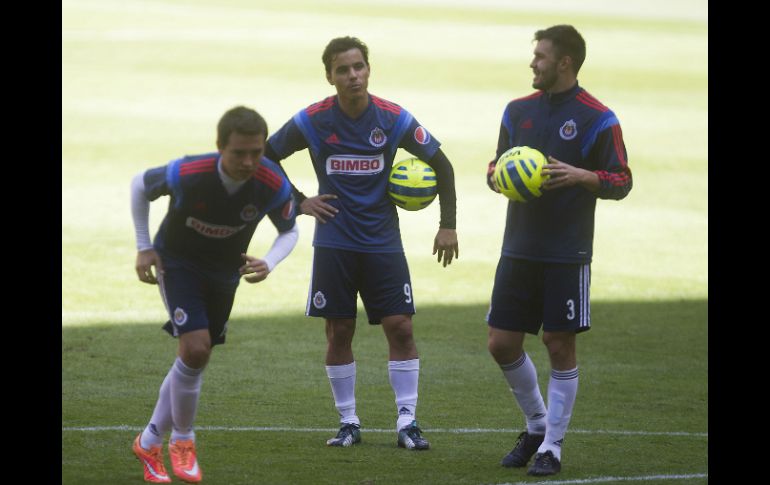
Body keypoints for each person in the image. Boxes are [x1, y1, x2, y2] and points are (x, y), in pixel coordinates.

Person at [264, 36, 459, 451]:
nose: (353, 76)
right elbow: (265, 155)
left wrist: (448, 225)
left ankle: (408, 421)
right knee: (339, 331)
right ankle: (348, 421)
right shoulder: (313, 120)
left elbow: (442, 164)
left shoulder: (393, 118)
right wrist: (299, 201)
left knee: (401, 328)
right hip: (334, 243)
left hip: (383, 243)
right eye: (343, 70)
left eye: (359, 67)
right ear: (330, 76)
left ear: (368, 69)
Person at [485, 25, 632, 476]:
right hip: (519, 247)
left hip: (567, 252)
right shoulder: (516, 111)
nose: (533, 63)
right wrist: (499, 176)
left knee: (558, 342)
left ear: (564, 62)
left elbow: (622, 180)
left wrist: (581, 175)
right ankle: (536, 424)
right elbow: (495, 165)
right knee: (501, 343)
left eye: (541, 57)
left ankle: (552, 446)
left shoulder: (598, 118)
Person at [130, 106, 299, 483]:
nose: (249, 161)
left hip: (225, 274)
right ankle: (183, 442)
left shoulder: (271, 182)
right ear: (220, 147)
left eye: (256, 152)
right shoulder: (190, 173)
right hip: (178, 264)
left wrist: (269, 262)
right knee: (196, 349)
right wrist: (144, 247)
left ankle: (149, 441)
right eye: (239, 153)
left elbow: (289, 230)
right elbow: (140, 185)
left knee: (193, 358)